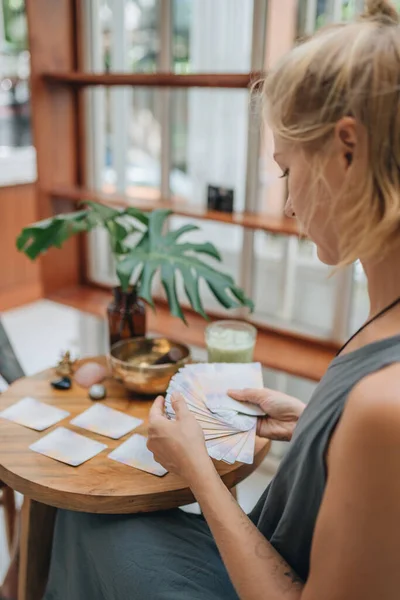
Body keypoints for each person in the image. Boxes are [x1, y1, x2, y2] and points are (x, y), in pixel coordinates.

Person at [43, 1, 400, 598]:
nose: (287, 204)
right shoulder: (385, 321)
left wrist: (199, 473)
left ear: (348, 150)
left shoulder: (385, 410)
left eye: (287, 171)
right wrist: (312, 424)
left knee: (80, 512)